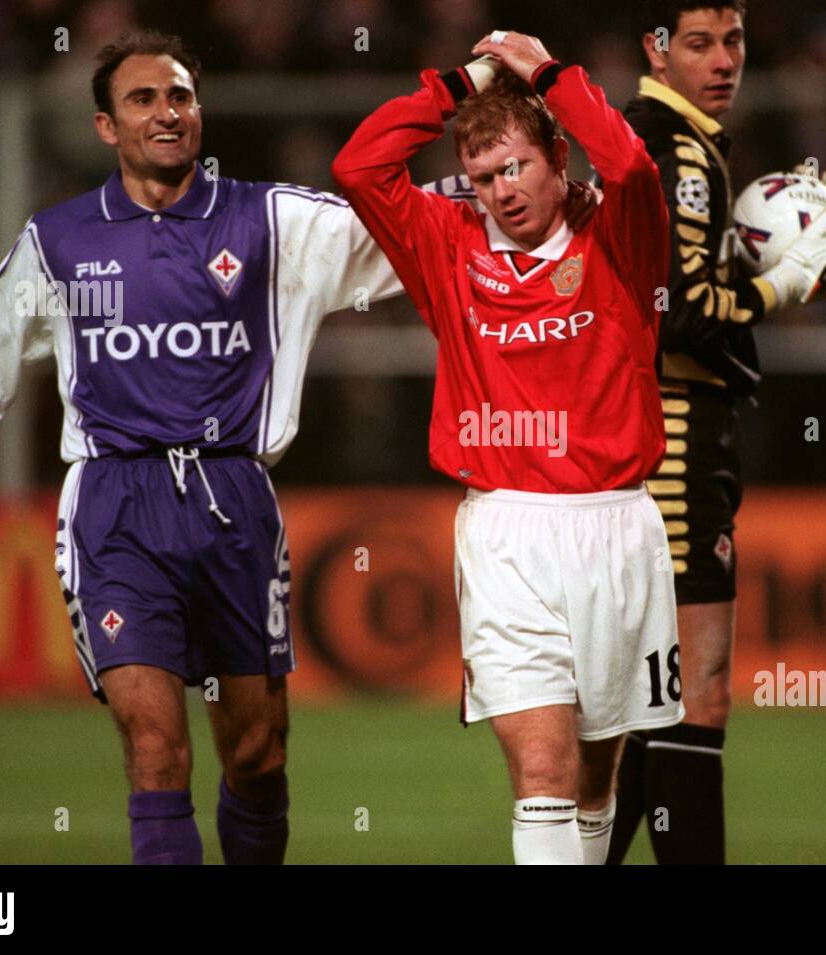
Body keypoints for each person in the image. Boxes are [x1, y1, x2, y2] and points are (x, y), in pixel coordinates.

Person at [0, 29, 499, 865]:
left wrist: (506, 179)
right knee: (154, 748)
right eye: (143, 99)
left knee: (258, 753)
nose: (167, 113)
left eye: (180, 96)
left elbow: (403, 222)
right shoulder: (60, 240)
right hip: (115, 511)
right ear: (106, 126)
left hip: (234, 506)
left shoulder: (272, 221)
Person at [333, 30, 694, 864]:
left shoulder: (619, 235)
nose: (502, 191)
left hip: (618, 529)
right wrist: (459, 83)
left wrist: (546, 74)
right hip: (508, 533)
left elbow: (632, 164)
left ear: (557, 157)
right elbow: (358, 168)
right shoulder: (445, 244)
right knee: (543, 768)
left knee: (598, 779)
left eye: (518, 167)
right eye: (487, 176)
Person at [608, 0, 826, 864]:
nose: (724, 61)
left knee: (663, 697)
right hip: (675, 438)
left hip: (675, 431)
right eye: (699, 43)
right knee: (696, 690)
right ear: (657, 49)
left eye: (734, 41)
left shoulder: (670, 137)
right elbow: (678, 314)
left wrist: (787, 269)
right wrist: (785, 283)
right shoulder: (679, 149)